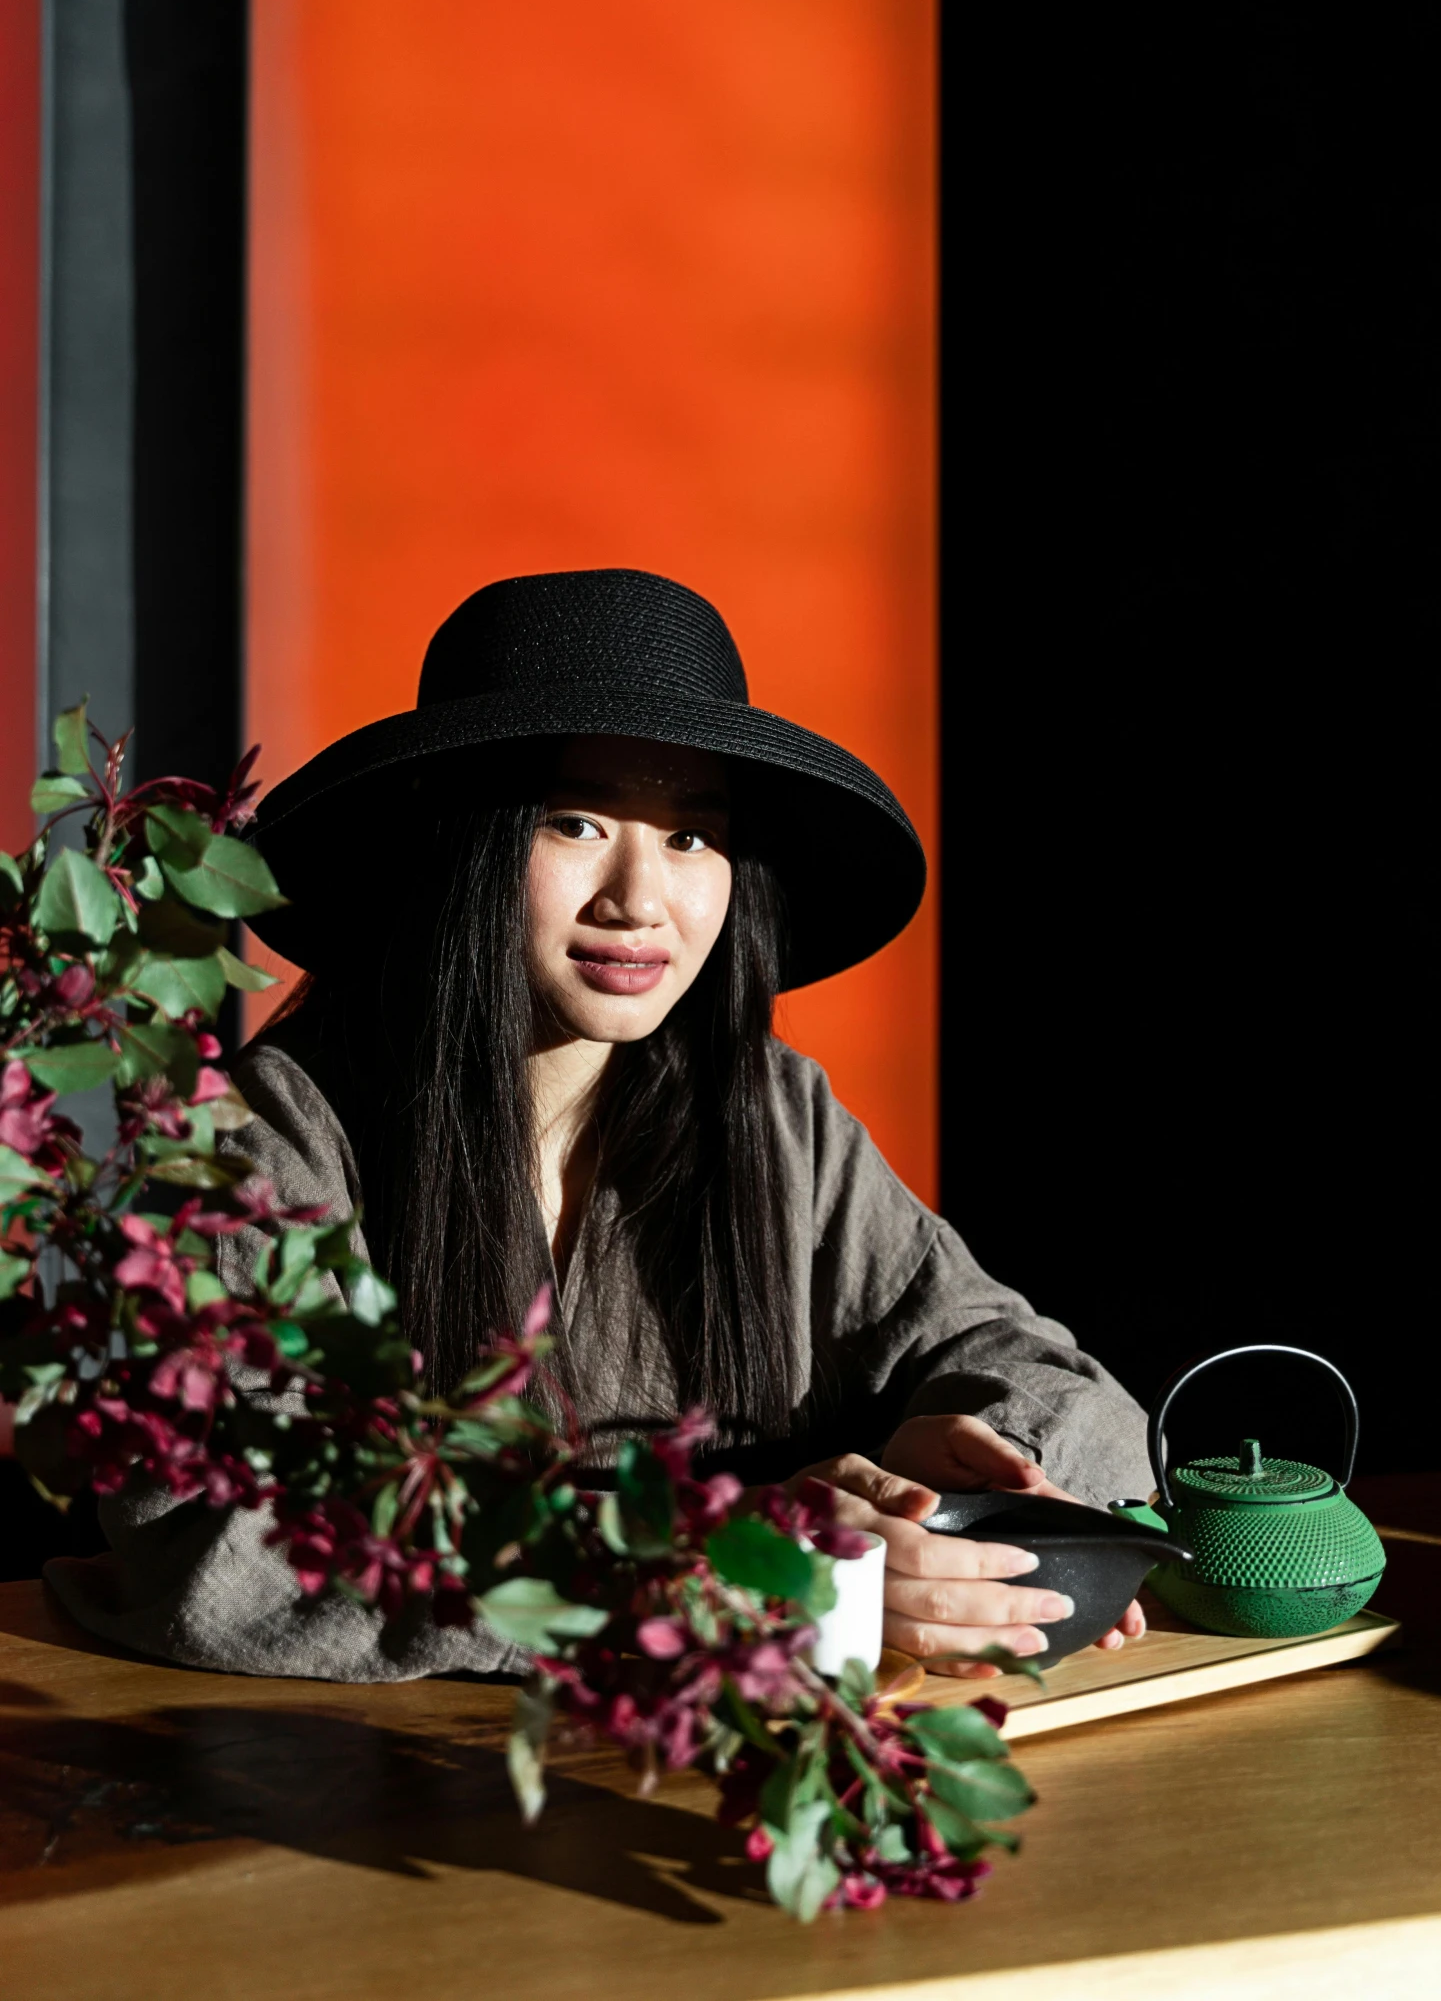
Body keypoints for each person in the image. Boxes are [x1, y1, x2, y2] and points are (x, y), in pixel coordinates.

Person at [44, 570, 1152, 1678]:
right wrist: (708, 1570)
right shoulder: (267, 1136)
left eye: (691, 838)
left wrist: (961, 1490)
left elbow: (1058, 1387)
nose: (640, 898)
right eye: (576, 821)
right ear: (463, 843)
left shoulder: (771, 1113)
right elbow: (212, 1534)